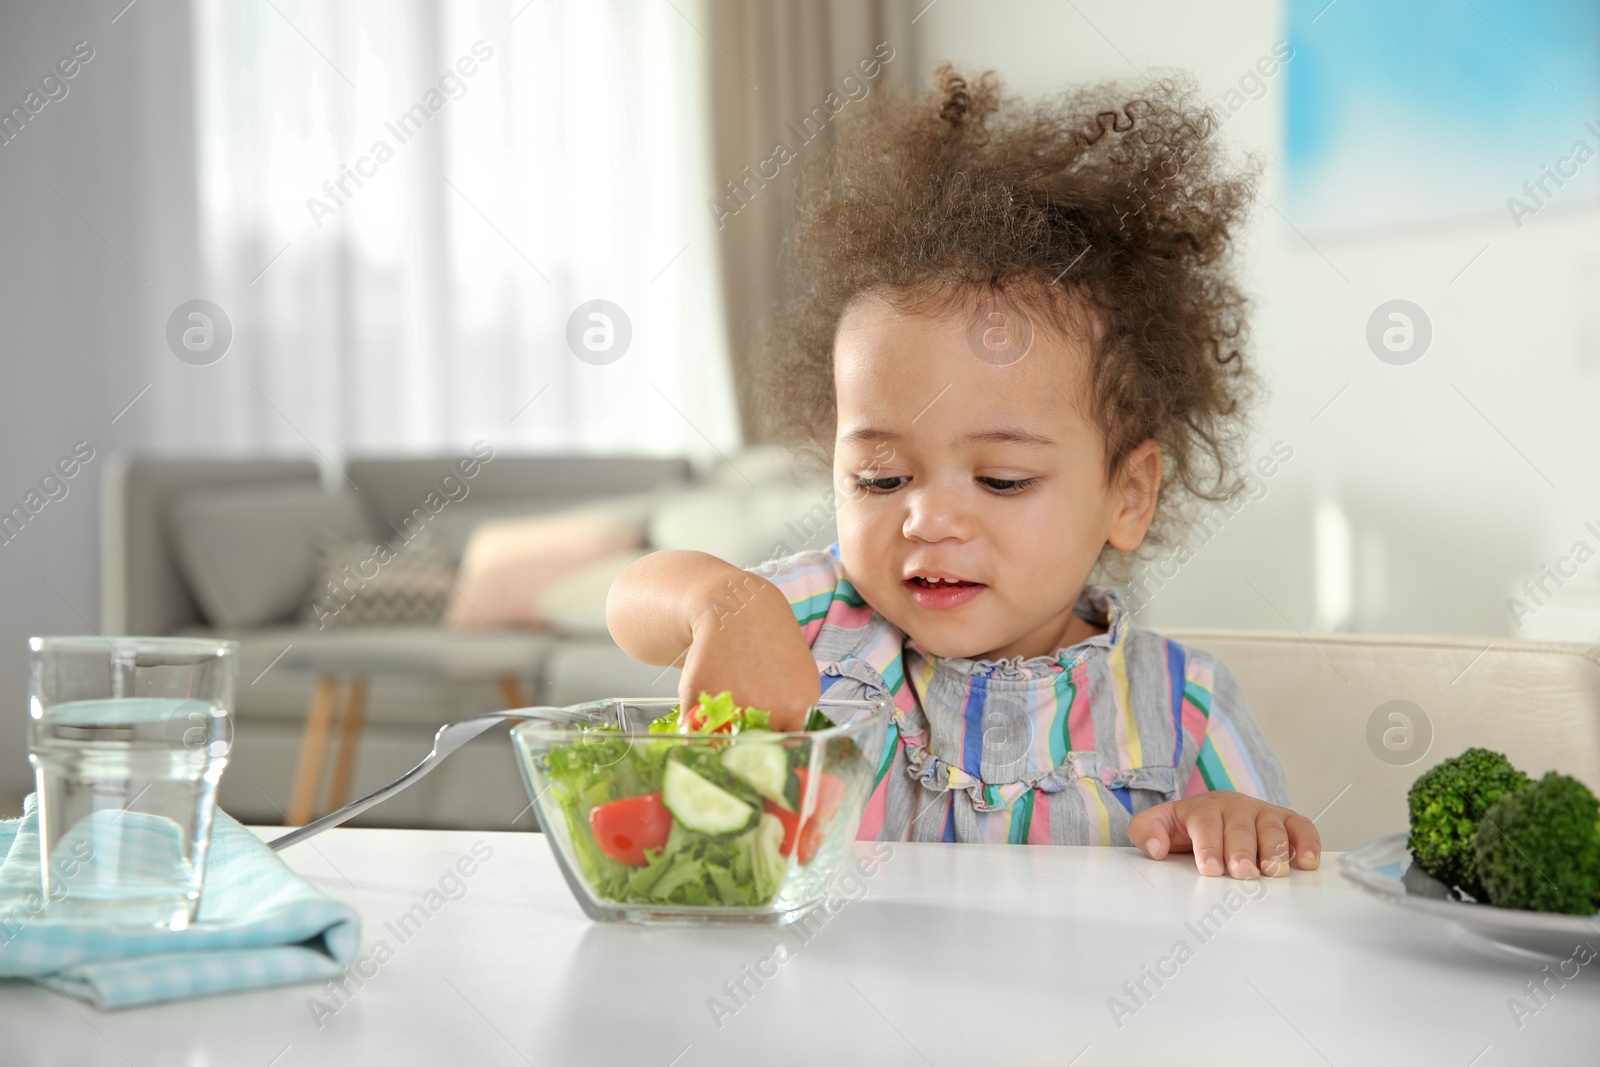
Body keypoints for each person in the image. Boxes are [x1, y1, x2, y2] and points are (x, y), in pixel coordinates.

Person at [607, 67, 1319, 879]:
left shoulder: (1184, 707)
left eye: (1003, 480)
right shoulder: (819, 621)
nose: (928, 520)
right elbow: (630, 602)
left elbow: (1280, 885)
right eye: (880, 478)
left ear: (1129, 494)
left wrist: (1237, 824)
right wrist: (722, 604)